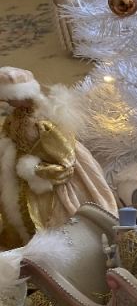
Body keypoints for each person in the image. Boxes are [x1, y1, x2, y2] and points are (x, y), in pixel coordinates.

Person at [0, 66, 116, 250]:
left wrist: (36, 170)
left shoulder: (43, 123)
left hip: (48, 173)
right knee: (14, 209)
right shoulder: (15, 117)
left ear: (23, 95)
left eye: (10, 97)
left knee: (54, 218)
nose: (7, 102)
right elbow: (9, 136)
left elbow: (66, 162)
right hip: (21, 172)